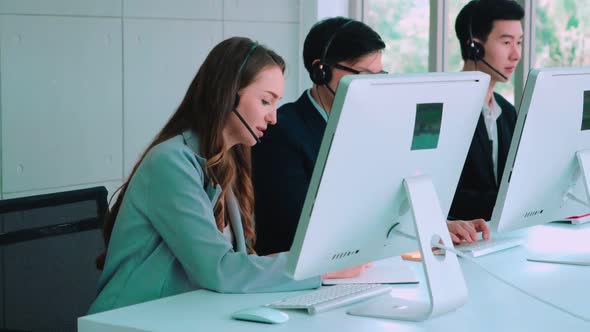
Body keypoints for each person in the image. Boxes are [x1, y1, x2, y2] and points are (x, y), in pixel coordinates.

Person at [88, 37, 364, 314]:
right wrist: (316, 267)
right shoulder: (170, 163)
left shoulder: (224, 163)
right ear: (228, 95)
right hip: (129, 318)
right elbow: (218, 269)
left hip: (183, 314)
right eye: (266, 101)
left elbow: (235, 266)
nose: (273, 117)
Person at [252, 17, 490, 257]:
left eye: (379, 74)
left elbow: (393, 203)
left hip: (365, 266)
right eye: (364, 74)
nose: (373, 85)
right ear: (321, 71)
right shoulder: (281, 131)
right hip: (296, 277)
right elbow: (297, 227)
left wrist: (438, 225)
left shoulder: (375, 128)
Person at [449, 0, 524, 222]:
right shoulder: (446, 110)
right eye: (507, 42)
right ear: (475, 47)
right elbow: (445, 195)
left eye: (519, 42)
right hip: (460, 243)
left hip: (501, 239)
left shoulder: (507, 113)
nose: (516, 54)